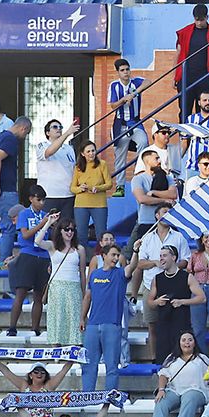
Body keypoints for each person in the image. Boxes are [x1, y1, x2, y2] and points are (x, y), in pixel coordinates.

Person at [8, 185, 55, 337]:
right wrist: (43, 224)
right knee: (21, 293)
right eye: (38, 199)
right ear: (31, 199)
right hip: (27, 254)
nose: (42, 203)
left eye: (43, 200)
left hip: (44, 256)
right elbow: (26, 235)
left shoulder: (45, 215)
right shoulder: (24, 214)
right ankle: (12, 327)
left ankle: (35, 328)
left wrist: (52, 222)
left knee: (38, 295)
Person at [82, 242, 130, 391]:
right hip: (93, 324)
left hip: (112, 324)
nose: (116, 258)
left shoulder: (120, 274)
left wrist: (135, 251)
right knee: (88, 365)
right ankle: (87, 396)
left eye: (118, 255)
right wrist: (82, 318)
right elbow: (88, 296)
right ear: (104, 256)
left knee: (112, 365)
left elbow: (132, 267)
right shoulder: (94, 274)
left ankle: (110, 397)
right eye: (113, 255)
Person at [146, 244, 205, 360]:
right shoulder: (157, 278)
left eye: (164, 256)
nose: (161, 259)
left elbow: (202, 298)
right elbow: (150, 302)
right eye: (160, 256)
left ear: (173, 257)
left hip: (181, 324)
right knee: (163, 359)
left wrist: (182, 302)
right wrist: (157, 302)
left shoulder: (187, 277)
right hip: (163, 324)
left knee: (182, 358)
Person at [34, 220, 86, 348]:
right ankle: (56, 350)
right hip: (56, 287)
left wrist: (84, 293)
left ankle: (74, 349)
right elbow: (37, 241)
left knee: (74, 319)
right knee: (56, 319)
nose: (69, 232)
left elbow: (82, 273)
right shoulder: (53, 246)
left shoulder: (79, 249)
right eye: (66, 229)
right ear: (60, 231)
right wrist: (48, 223)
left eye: (72, 229)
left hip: (74, 287)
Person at [172, 4, 209, 121]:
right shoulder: (185, 32)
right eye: (196, 20)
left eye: (201, 20)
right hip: (185, 78)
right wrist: (175, 77)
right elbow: (178, 54)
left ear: (207, 17)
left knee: (203, 112)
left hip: (204, 78)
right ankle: (184, 133)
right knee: (184, 111)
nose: (199, 23)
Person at [0, 116, 28, 258]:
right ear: (23, 128)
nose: (24, 137)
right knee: (9, 226)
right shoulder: (10, 139)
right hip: (3, 190)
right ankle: (5, 262)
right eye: (26, 133)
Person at [153, 330, 209, 417]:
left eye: (190, 340)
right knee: (161, 399)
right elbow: (163, 374)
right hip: (175, 391)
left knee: (189, 397)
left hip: (196, 390)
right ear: (179, 343)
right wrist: (161, 389)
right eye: (184, 340)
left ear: (194, 343)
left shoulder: (202, 359)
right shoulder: (171, 358)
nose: (187, 342)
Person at [71, 140, 113, 242]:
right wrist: (80, 188)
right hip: (81, 204)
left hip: (99, 204)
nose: (91, 153)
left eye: (93, 151)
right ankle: (82, 252)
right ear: (83, 154)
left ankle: (102, 252)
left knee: (101, 233)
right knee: (81, 234)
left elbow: (109, 184)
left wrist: (98, 188)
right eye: (88, 151)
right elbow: (72, 188)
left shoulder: (102, 164)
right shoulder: (78, 167)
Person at [107, 58, 148, 162]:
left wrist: (134, 93)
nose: (125, 72)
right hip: (120, 124)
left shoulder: (135, 82)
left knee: (143, 143)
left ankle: (139, 169)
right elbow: (113, 106)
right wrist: (123, 99)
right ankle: (121, 174)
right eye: (122, 70)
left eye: (127, 69)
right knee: (120, 157)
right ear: (118, 72)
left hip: (135, 122)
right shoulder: (114, 85)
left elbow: (148, 82)